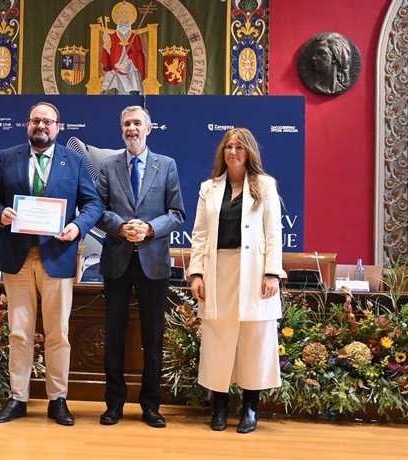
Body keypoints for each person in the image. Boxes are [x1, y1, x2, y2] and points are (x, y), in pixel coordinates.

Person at [0, 102, 103, 426]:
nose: (41, 126)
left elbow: (93, 203)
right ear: (28, 125)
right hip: (18, 259)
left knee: (57, 334)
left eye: (48, 122)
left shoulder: (74, 161)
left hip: (58, 257)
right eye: (36, 120)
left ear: (58, 128)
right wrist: (1, 214)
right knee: (19, 333)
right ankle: (18, 398)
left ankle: (58, 399)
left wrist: (78, 226)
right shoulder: (8, 157)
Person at [187, 128, 285, 434]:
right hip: (218, 273)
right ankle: (219, 407)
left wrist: (272, 272)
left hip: (254, 272)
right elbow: (200, 234)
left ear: (249, 153)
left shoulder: (264, 185)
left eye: (239, 147)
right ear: (222, 153)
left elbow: (273, 232)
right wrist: (196, 274)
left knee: (253, 343)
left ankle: (250, 409)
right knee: (219, 342)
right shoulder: (209, 188)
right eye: (228, 147)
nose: (233, 152)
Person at [95, 105, 186, 428]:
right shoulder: (107, 166)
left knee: (153, 338)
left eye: (137, 123)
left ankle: (150, 404)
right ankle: (114, 404)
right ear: (121, 129)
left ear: (149, 129)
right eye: (126, 124)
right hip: (117, 260)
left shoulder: (167, 166)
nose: (131, 128)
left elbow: (176, 212)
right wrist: (121, 226)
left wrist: (148, 229)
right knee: (114, 336)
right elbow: (98, 209)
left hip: (154, 261)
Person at [101, 1, 145, 95]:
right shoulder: (112, 37)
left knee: (134, 77)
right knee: (109, 77)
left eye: (126, 18)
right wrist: (106, 47)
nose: (123, 21)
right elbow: (107, 61)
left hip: (130, 69)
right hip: (115, 70)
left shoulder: (134, 37)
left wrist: (127, 63)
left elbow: (138, 56)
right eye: (121, 18)